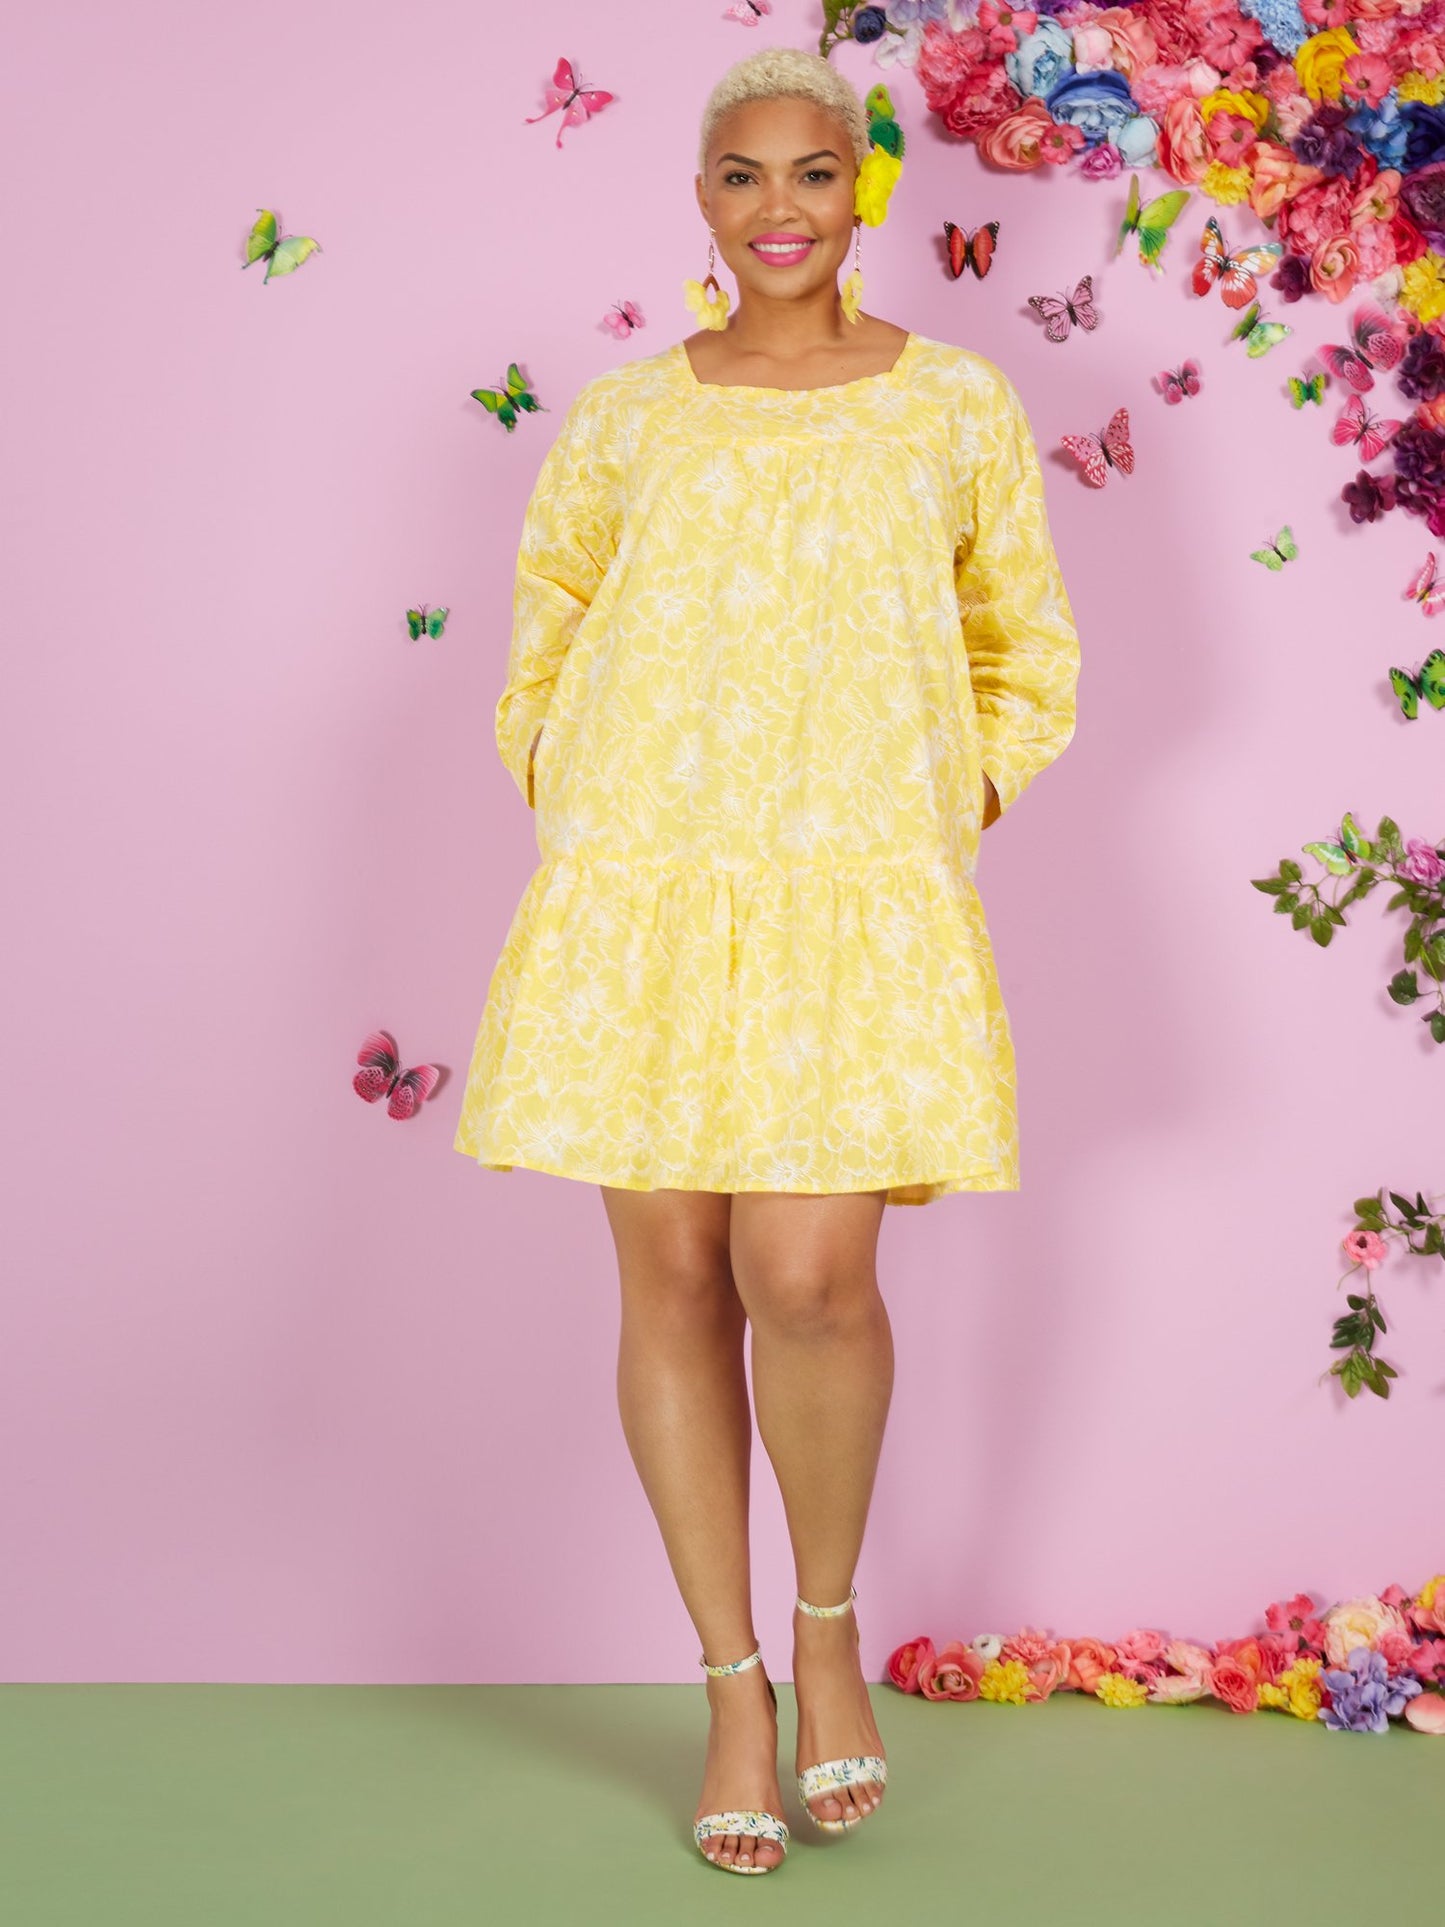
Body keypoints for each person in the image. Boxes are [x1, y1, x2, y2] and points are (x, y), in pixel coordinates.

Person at [453, 46, 1080, 1877]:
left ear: (857, 192)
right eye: (743, 175)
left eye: (813, 172)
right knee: (670, 1279)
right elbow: (550, 619)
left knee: (805, 1278)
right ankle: (729, 1685)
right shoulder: (626, 415)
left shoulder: (952, 401)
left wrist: (947, 797)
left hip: (852, 888)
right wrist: (572, 782)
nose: (779, 207)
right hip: (648, 882)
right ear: (702, 200)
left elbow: (1023, 640)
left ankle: (824, 1634)